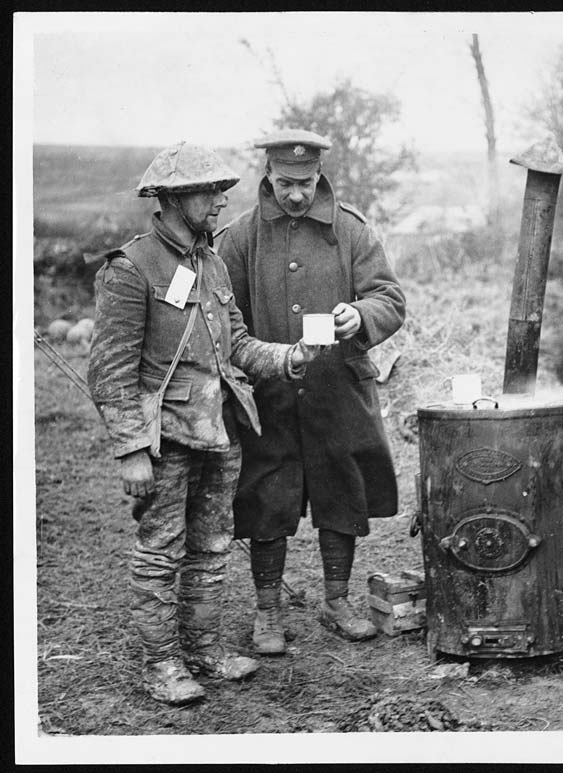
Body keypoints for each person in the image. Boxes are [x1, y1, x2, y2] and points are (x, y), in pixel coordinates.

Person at [87, 142, 322, 705]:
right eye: (209, 191)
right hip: (165, 438)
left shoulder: (209, 262)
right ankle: (162, 664)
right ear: (171, 198)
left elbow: (235, 343)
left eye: (222, 190)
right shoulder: (131, 268)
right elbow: (111, 370)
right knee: (160, 550)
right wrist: (130, 450)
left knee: (213, 546)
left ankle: (204, 650)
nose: (221, 201)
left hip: (220, 432)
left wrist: (287, 358)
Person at [215, 129, 406, 655]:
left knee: (341, 491)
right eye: (284, 183)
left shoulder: (351, 231)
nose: (295, 194)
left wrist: (359, 314)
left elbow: (389, 298)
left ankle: (336, 601)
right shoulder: (239, 238)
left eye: (304, 183)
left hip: (338, 391)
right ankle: (267, 612)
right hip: (269, 394)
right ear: (268, 177)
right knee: (265, 497)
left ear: (319, 175)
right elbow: (223, 316)